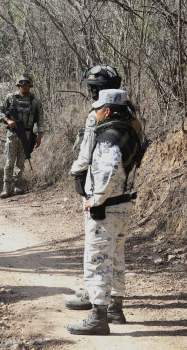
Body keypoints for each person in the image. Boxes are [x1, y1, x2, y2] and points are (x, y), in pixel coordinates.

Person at [66, 65, 143, 311]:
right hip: (125, 191)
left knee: (98, 251)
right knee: (117, 251)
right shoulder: (130, 113)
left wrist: (79, 175)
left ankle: (97, 301)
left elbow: (88, 152)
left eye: (93, 88)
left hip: (104, 194)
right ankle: (115, 303)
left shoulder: (101, 117)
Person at [0, 73, 44, 198]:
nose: (24, 86)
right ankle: (6, 187)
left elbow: (40, 119)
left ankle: (15, 185)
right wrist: (8, 120)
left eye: (27, 84)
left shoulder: (35, 101)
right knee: (10, 161)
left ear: (30, 86)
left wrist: (39, 136)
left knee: (21, 162)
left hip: (27, 135)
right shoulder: (10, 98)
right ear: (18, 85)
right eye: (22, 84)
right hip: (13, 133)